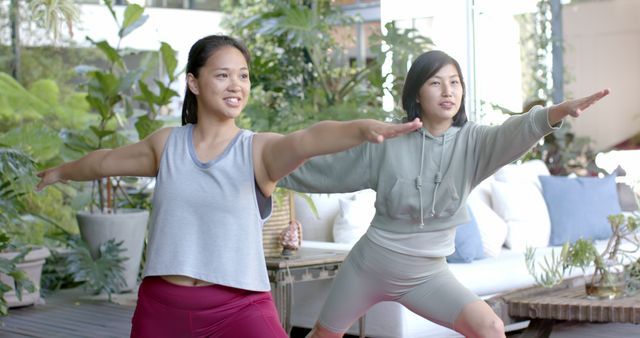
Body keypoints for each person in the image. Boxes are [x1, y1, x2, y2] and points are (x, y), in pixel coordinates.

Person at [35, 35, 422, 338]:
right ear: (194, 82)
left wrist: (361, 128)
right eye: (222, 74)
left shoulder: (258, 151)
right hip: (162, 308)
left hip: (238, 309)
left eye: (243, 75)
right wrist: (59, 172)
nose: (236, 84)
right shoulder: (166, 144)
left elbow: (308, 139)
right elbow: (104, 161)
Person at [278, 50, 609, 338]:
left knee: (490, 328)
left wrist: (557, 112)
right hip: (370, 265)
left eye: (454, 82)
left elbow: (517, 130)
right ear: (417, 93)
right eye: (435, 82)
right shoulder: (389, 138)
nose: (448, 91)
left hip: (428, 274)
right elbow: (329, 169)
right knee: (325, 334)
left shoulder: (475, 142)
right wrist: (266, 168)